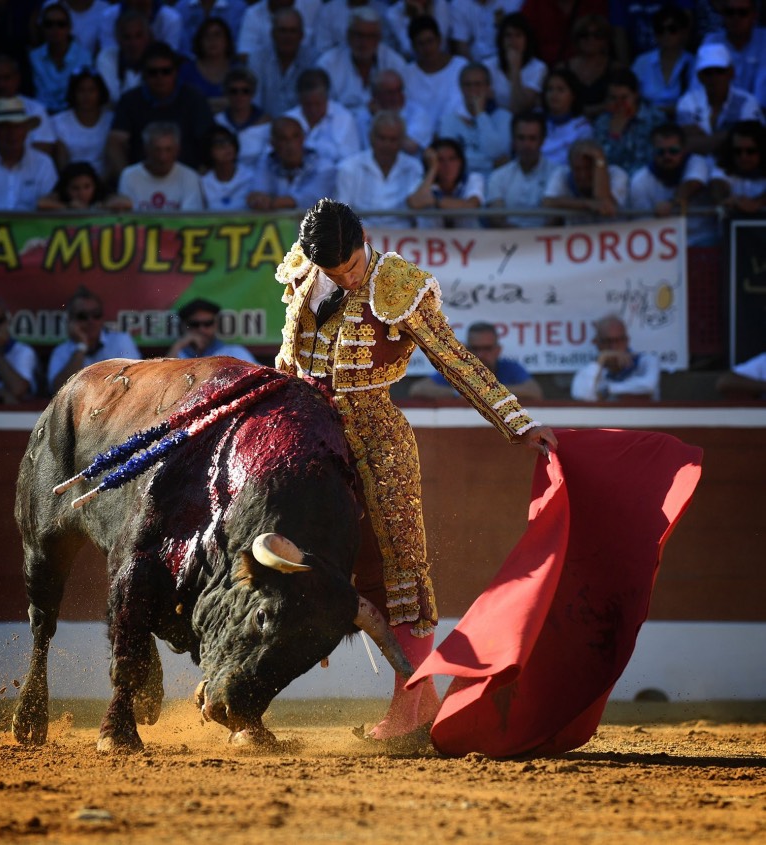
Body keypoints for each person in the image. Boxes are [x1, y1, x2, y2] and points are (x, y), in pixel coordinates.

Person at [274, 198, 557, 740]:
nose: (346, 278)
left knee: (403, 570)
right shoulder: (304, 276)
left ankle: (406, 708)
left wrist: (517, 423)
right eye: (334, 273)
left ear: (364, 240)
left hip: (377, 440)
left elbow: (453, 358)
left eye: (352, 266)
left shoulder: (399, 284)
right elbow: (287, 363)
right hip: (308, 436)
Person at [106, 42, 215, 175]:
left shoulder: (194, 98)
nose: (160, 77)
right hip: (142, 180)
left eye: (166, 71)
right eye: (153, 72)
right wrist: (127, 177)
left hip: (186, 179)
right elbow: (115, 142)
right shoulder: (130, 100)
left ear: (175, 72)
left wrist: (198, 179)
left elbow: (209, 141)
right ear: (144, 74)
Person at [409, 321, 544, 401]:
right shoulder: (457, 369)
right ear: (467, 349)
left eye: (487, 348)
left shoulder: (509, 367)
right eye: (475, 348)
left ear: (497, 350)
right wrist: (460, 393)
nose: (481, 354)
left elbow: (534, 391)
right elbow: (417, 389)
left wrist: (487, 392)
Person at [336, 110, 423, 228]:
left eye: (393, 140)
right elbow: (340, 216)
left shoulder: (414, 168)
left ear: (402, 141)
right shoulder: (349, 167)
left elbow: (421, 217)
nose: (387, 145)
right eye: (382, 138)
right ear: (371, 137)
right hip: (360, 238)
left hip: (403, 240)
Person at [47, 286, 142, 394]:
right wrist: (81, 347)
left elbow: (134, 380)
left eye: (96, 314)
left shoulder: (120, 340)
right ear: (70, 320)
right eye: (82, 316)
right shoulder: (60, 351)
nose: (90, 321)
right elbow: (59, 391)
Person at [676, 43, 764, 157]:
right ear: (699, 76)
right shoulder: (687, 102)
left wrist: (703, 140)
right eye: (708, 73)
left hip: (735, 163)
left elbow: (751, 142)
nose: (714, 77)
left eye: (719, 71)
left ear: (731, 73)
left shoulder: (747, 102)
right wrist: (730, 135)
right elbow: (685, 144)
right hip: (696, 163)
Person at [628, 123, 710, 241]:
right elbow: (643, 225)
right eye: (661, 152)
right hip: (662, 243)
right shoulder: (640, 180)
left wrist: (672, 203)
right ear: (653, 152)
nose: (667, 156)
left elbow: (693, 183)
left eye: (673, 151)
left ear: (683, 150)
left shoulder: (697, 162)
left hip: (701, 238)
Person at [316, 7, 408, 113]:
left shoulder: (395, 63)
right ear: (348, 36)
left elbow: (405, 105)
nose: (364, 42)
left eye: (370, 36)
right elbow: (322, 109)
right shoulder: (328, 64)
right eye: (359, 35)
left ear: (378, 38)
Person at [435, 62, 511, 177]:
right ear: (460, 88)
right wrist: (490, 164)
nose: (473, 90)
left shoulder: (504, 117)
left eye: (478, 84)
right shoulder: (448, 121)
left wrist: (480, 115)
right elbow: (450, 161)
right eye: (468, 85)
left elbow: (497, 153)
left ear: (488, 86)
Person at [247, 116, 336, 211]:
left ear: (303, 138)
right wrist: (258, 200)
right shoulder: (266, 162)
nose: (290, 145)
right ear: (273, 143)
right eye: (283, 139)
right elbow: (258, 194)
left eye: (295, 137)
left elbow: (310, 199)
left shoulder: (325, 166)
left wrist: (271, 202)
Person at [486, 111, 557, 228]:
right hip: (508, 242)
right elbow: (496, 219)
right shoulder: (498, 176)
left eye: (532, 138)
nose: (526, 144)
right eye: (521, 138)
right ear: (513, 140)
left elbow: (554, 220)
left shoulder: (557, 173)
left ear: (542, 140)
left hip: (545, 241)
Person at [117, 121, 205, 211]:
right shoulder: (129, 176)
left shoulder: (190, 177)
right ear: (146, 149)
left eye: (168, 150)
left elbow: (190, 219)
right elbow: (127, 217)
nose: (163, 157)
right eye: (157, 150)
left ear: (177, 150)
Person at [570, 314, 661, 401]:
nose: (613, 347)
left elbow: (648, 385)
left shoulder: (646, 361)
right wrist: (601, 359)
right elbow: (581, 394)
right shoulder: (593, 369)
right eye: (608, 341)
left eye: (618, 340)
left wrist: (609, 389)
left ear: (627, 340)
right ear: (598, 343)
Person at [247, 7, 317, 117]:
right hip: (263, 125)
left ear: (301, 35)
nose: (287, 37)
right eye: (282, 31)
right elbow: (253, 101)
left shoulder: (313, 60)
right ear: (273, 34)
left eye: (292, 31)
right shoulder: (258, 58)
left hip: (302, 127)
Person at [403, 14, 467, 134]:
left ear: (439, 40)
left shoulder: (461, 67)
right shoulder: (405, 74)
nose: (427, 48)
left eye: (430, 41)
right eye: (421, 43)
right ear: (413, 46)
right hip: (417, 142)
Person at [284, 68, 360, 167]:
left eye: (318, 104)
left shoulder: (344, 118)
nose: (313, 110)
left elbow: (351, 161)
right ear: (300, 100)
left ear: (327, 97)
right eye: (308, 104)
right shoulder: (287, 120)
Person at [592, 68, 662, 176]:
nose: (619, 104)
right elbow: (601, 162)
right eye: (613, 98)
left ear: (635, 95)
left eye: (624, 98)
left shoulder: (655, 119)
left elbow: (654, 159)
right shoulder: (602, 122)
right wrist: (614, 135)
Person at [542, 138, 629, 223]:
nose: (583, 175)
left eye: (588, 168)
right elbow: (547, 202)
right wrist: (587, 204)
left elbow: (603, 202)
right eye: (577, 169)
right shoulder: (562, 174)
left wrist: (599, 157)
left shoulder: (617, 174)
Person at [29, 2, 94, 115]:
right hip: (41, 116)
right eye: (49, 24)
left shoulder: (84, 57)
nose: (55, 29)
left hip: (73, 115)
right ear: (42, 28)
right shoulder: (33, 58)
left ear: (69, 27)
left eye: (61, 24)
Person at [406, 136, 484, 229]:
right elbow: (415, 203)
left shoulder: (473, 178)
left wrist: (435, 201)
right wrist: (432, 169)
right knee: (427, 214)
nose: (447, 165)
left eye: (452, 159)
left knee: (468, 217)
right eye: (440, 160)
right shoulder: (423, 182)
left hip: (467, 240)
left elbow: (471, 205)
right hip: (432, 240)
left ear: (460, 162)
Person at [630, 5, 694, 118]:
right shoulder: (642, 62)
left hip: (684, 124)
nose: (666, 34)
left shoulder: (694, 63)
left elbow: (696, 105)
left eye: (672, 29)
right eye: (660, 30)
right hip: (647, 123)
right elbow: (629, 97)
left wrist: (655, 110)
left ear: (683, 32)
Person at [355, 68, 434, 155]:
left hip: (409, 166)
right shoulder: (362, 116)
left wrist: (381, 117)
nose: (396, 97)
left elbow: (410, 147)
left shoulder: (417, 113)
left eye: (399, 90)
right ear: (375, 95)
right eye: (390, 93)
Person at [484, 12, 546, 113]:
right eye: (508, 35)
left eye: (518, 35)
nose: (513, 41)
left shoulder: (538, 68)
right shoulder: (488, 65)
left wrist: (515, 69)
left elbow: (520, 109)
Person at [701, 0, 766, 96]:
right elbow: (698, 90)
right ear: (722, 15)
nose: (736, 18)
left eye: (742, 13)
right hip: (717, 109)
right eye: (730, 12)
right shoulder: (712, 42)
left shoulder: (764, 41)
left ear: (754, 15)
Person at [178, 16, 239, 115]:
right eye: (206, 36)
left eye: (217, 35)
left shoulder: (238, 71)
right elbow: (181, 103)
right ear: (200, 41)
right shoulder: (186, 71)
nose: (212, 40)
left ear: (227, 40)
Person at [213, 67, 272, 168]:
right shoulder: (217, 121)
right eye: (233, 91)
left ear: (253, 93)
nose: (239, 95)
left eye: (245, 91)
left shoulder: (267, 125)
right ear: (226, 93)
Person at [168, 297, 257, 362]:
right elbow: (165, 381)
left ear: (216, 324)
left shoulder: (235, 353)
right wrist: (178, 345)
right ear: (184, 326)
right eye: (195, 324)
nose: (201, 329)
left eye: (208, 323)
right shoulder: (177, 355)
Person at [539, 66, 593, 167]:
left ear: (573, 95)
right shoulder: (536, 121)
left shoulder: (582, 127)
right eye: (550, 89)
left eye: (560, 90)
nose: (554, 94)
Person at [95, 9, 151, 103]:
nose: (133, 43)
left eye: (138, 36)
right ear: (118, 39)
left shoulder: (158, 60)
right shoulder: (107, 57)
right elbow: (113, 98)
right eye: (127, 37)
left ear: (147, 37)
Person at [37, 160, 133, 210]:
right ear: (65, 189)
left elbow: (126, 202)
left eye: (87, 187)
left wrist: (97, 208)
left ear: (95, 185)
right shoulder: (61, 198)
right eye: (75, 188)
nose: (82, 193)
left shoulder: (101, 196)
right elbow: (41, 203)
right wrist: (68, 208)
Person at [199, 125, 255, 210]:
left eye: (230, 141)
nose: (227, 146)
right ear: (208, 150)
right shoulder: (203, 183)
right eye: (219, 143)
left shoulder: (250, 177)